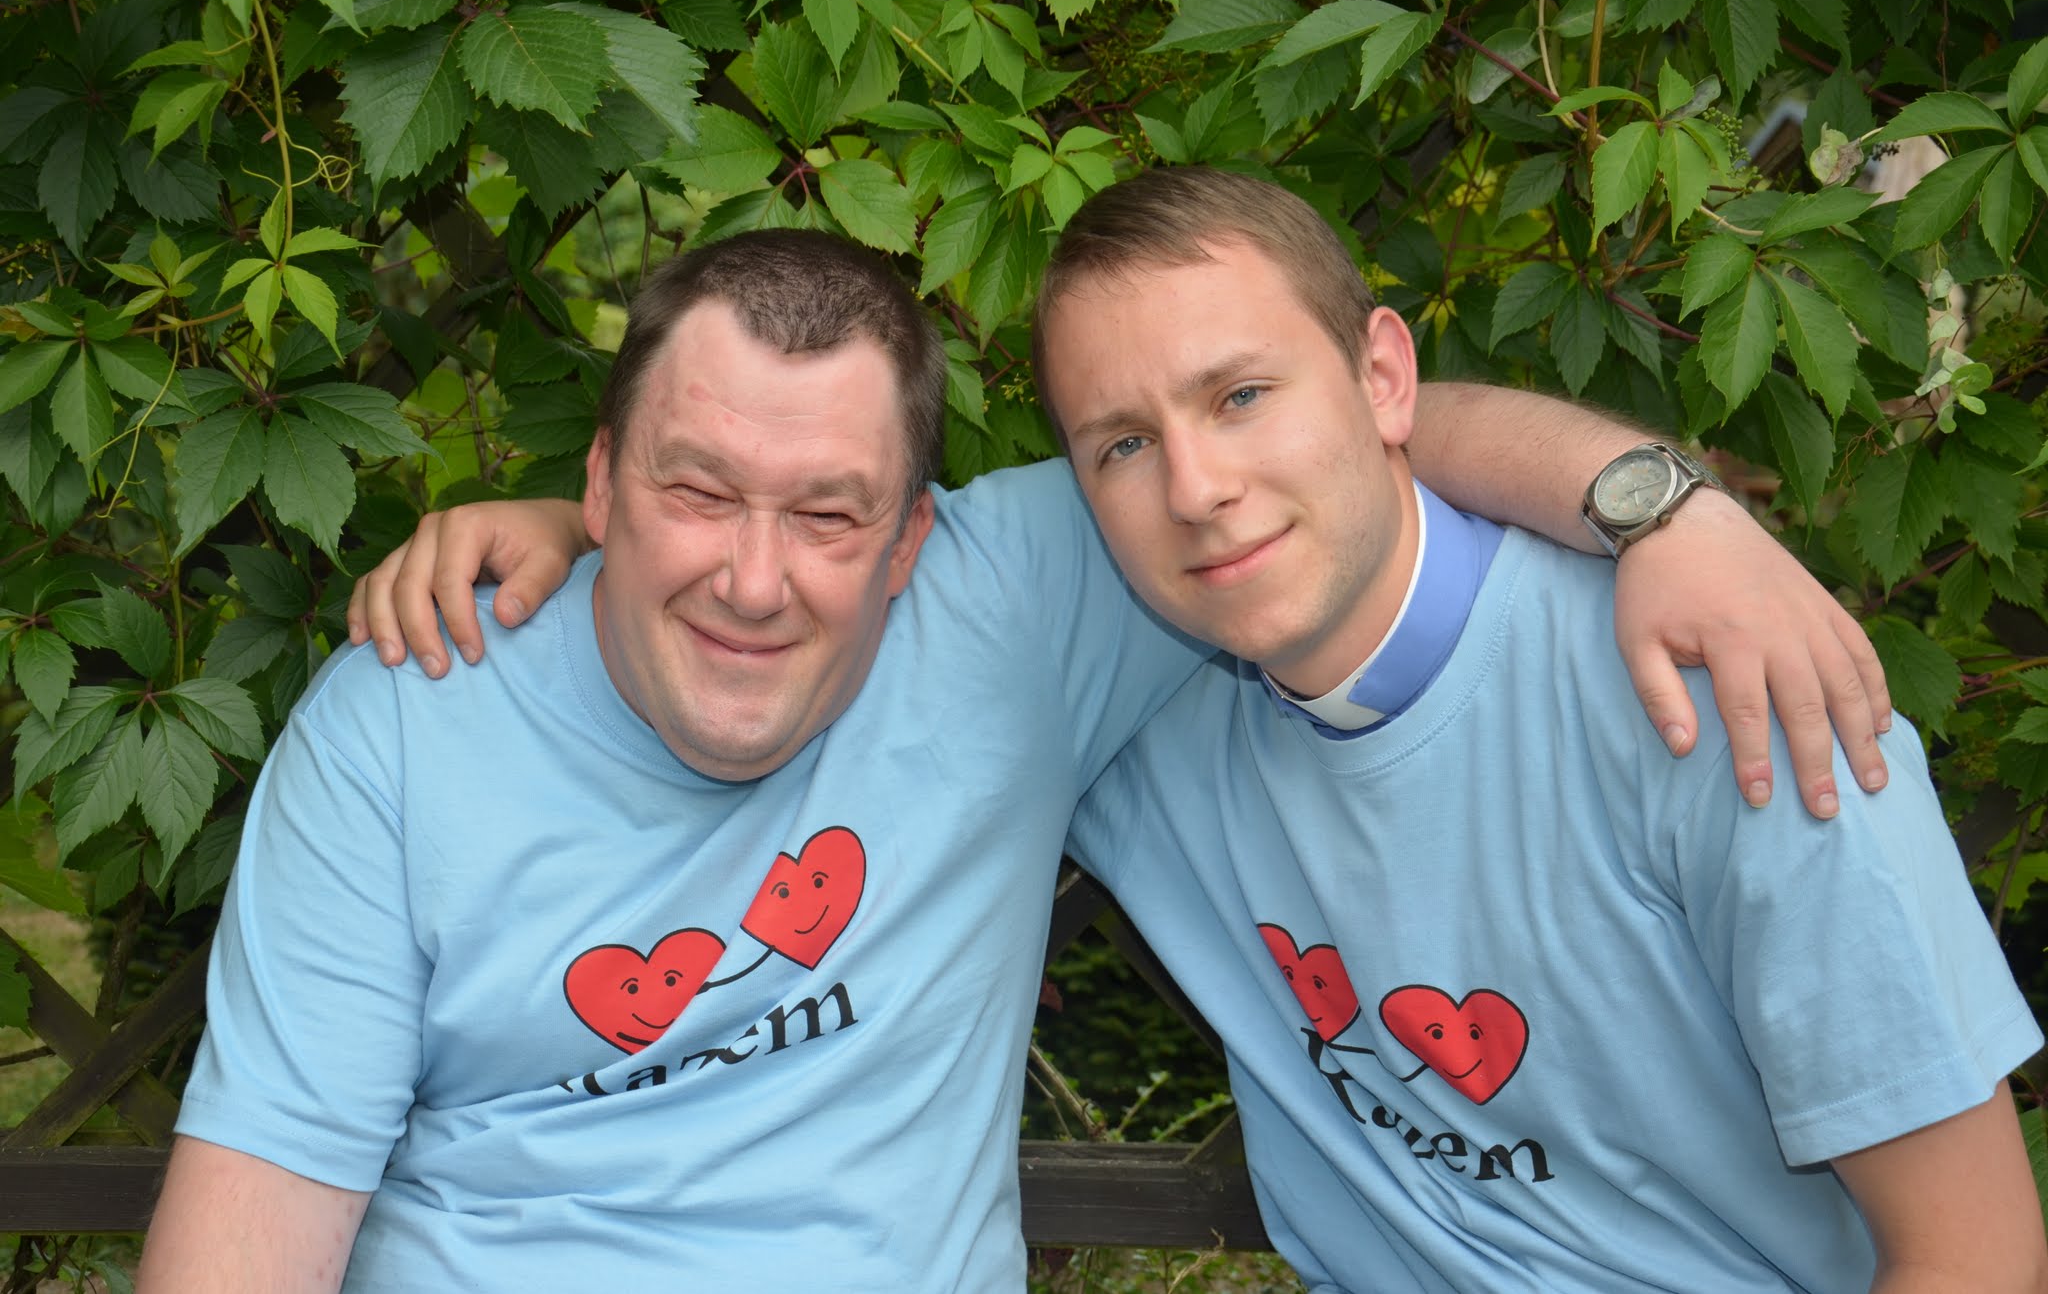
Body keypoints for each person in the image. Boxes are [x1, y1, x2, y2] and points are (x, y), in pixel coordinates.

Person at [145, 215, 1892, 1291]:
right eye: (695, 490)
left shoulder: (1015, 600)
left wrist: (1661, 509)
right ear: (597, 484)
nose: (751, 578)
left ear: (914, 539)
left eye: (828, 513)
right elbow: (252, 1221)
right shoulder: (408, 712)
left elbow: (1335, 441)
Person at [1038, 171, 2046, 1290]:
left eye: (1240, 395)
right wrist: (1639, 491)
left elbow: (1979, 1257)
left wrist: (1663, 509)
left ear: (1383, 376)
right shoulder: (1128, 703)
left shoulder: (1725, 699)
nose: (1195, 488)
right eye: (1122, 445)